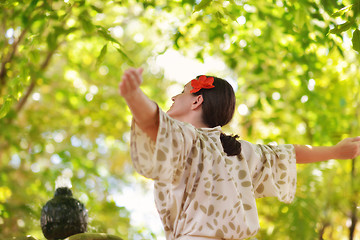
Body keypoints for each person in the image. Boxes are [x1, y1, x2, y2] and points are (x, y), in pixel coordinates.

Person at [119, 67, 360, 240]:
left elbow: (152, 121)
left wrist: (133, 96)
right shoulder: (241, 153)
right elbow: (289, 153)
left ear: (197, 101)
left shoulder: (188, 138)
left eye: (181, 92)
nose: (173, 97)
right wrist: (336, 151)